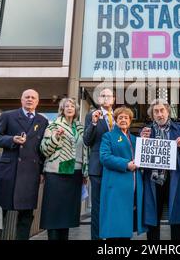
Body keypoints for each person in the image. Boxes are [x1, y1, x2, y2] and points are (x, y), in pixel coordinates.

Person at [0, 89, 48, 240]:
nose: (30, 99)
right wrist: (11, 140)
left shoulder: (43, 121)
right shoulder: (8, 116)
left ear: (37, 101)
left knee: (26, 216)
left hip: (31, 173)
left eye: (33, 97)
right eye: (27, 97)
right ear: (21, 100)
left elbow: (42, 149)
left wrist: (41, 171)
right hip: (9, 171)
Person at [142, 98, 180, 240]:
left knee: (178, 217)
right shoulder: (146, 131)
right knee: (153, 218)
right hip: (153, 181)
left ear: (168, 112)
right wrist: (142, 140)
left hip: (174, 178)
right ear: (152, 115)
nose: (159, 114)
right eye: (156, 111)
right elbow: (140, 156)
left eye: (162, 110)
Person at [39, 98, 88, 240]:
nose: (69, 108)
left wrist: (85, 172)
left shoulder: (80, 127)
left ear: (76, 110)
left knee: (67, 214)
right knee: (54, 213)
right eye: (66, 106)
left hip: (75, 174)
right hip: (56, 173)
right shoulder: (53, 126)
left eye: (72, 106)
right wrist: (55, 138)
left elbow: (85, 151)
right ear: (62, 109)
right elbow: (44, 150)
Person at [99, 107, 146, 239]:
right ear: (115, 120)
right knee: (116, 225)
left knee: (126, 225)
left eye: (126, 118)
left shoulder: (135, 139)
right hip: (116, 186)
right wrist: (125, 164)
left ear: (130, 121)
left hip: (132, 187)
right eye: (120, 118)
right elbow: (104, 157)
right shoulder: (108, 136)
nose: (123, 120)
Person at [83, 88, 115, 240]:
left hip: (117, 168)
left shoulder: (119, 116)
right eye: (103, 96)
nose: (106, 98)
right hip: (98, 168)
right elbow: (87, 141)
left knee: (113, 205)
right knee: (97, 207)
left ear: (113, 99)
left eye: (109, 96)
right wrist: (94, 123)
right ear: (99, 99)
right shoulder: (92, 115)